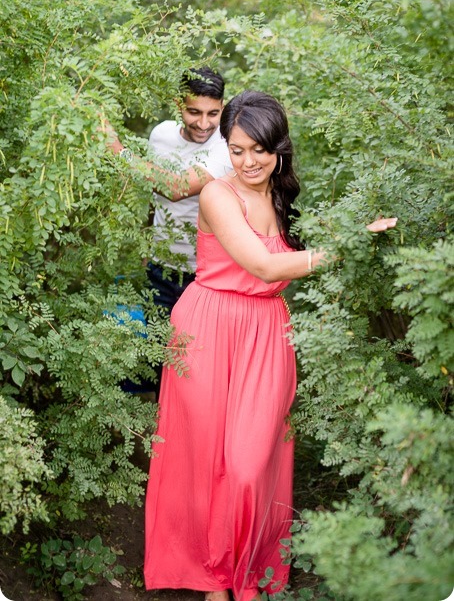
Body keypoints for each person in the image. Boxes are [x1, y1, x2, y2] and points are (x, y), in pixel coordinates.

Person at [143, 90, 397, 601]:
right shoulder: (217, 193)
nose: (248, 161)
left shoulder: (281, 197)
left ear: (278, 147)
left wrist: (351, 233)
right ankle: (217, 578)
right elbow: (261, 266)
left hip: (265, 334)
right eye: (236, 149)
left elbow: (281, 265)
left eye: (259, 149)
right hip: (208, 328)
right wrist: (345, 245)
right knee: (204, 458)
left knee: (248, 463)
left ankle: (245, 567)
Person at [107, 67, 231, 396]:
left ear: (222, 108)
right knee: (150, 362)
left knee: (191, 371)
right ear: (178, 104)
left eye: (212, 113)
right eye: (194, 112)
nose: (204, 123)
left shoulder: (227, 145)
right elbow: (154, 193)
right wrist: (149, 242)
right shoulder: (160, 134)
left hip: (204, 277)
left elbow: (175, 187)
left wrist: (117, 150)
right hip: (160, 269)